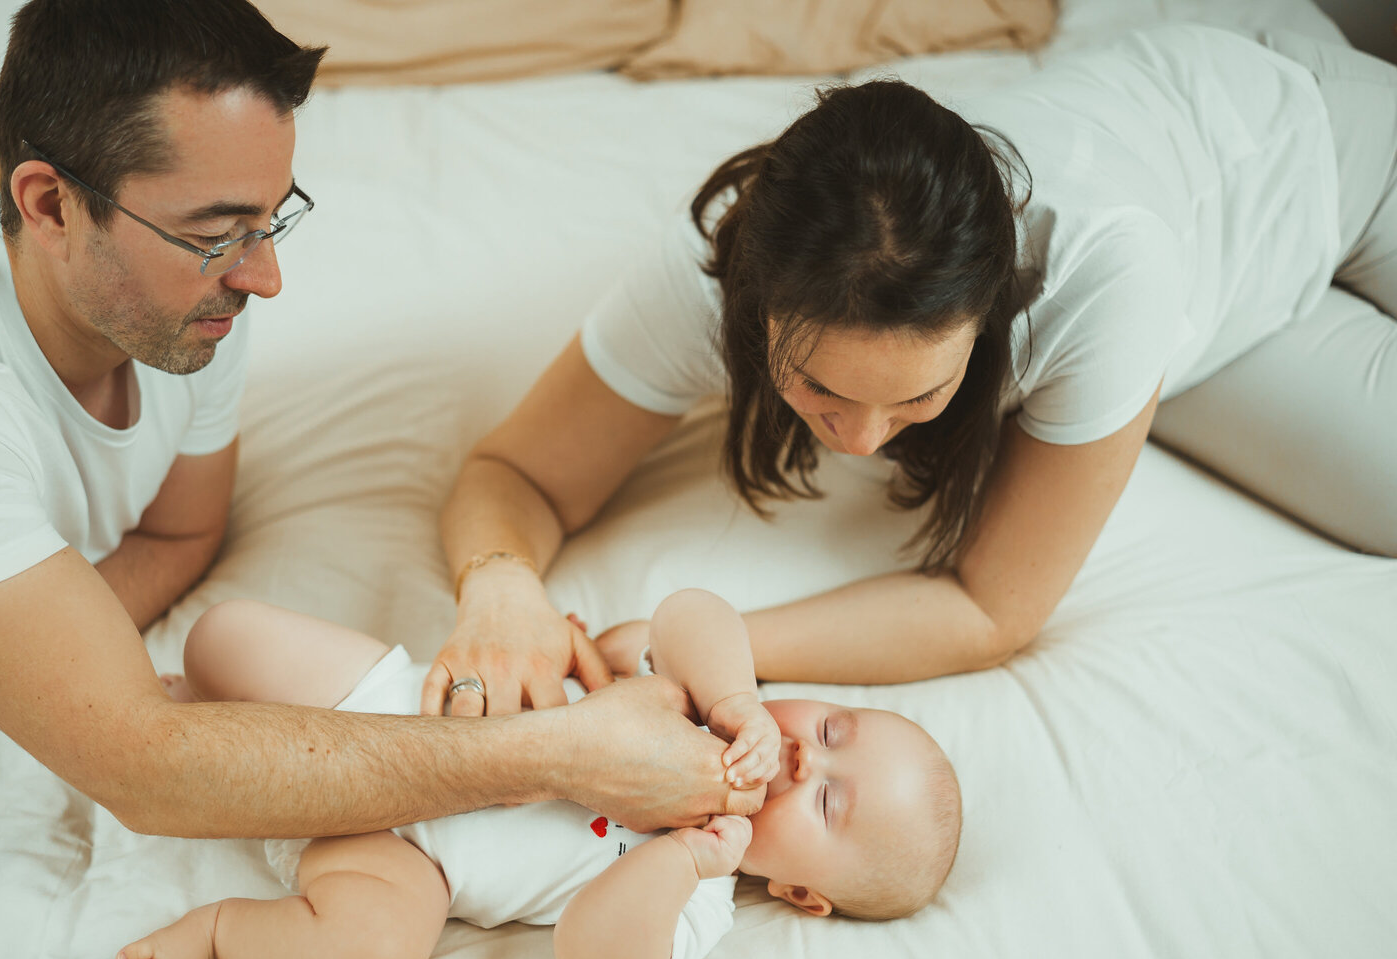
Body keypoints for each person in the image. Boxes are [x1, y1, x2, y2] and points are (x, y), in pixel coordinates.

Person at [0, 0, 760, 833]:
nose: (264, 276)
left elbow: (183, 529)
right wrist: (551, 754)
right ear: (50, 205)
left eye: (271, 218)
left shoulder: (187, 297)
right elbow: (147, 767)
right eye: (218, 235)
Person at [426, 25, 1397, 708]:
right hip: (1210, 272)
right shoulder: (714, 272)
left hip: (1326, 146)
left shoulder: (1100, 274)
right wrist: (500, 585)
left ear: (994, 315)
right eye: (819, 389)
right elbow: (516, 474)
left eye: (920, 395)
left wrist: (699, 642)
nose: (861, 439)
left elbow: (989, 607)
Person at [117, 590, 961, 959]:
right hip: (392, 705)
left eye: (829, 806)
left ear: (801, 894)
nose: (807, 759)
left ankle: (221, 931)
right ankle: (216, 717)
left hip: (403, 860)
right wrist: (737, 695)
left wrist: (680, 856)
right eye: (834, 729)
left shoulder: (700, 901)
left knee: (371, 958)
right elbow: (689, 610)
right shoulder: (694, 691)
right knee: (224, 633)